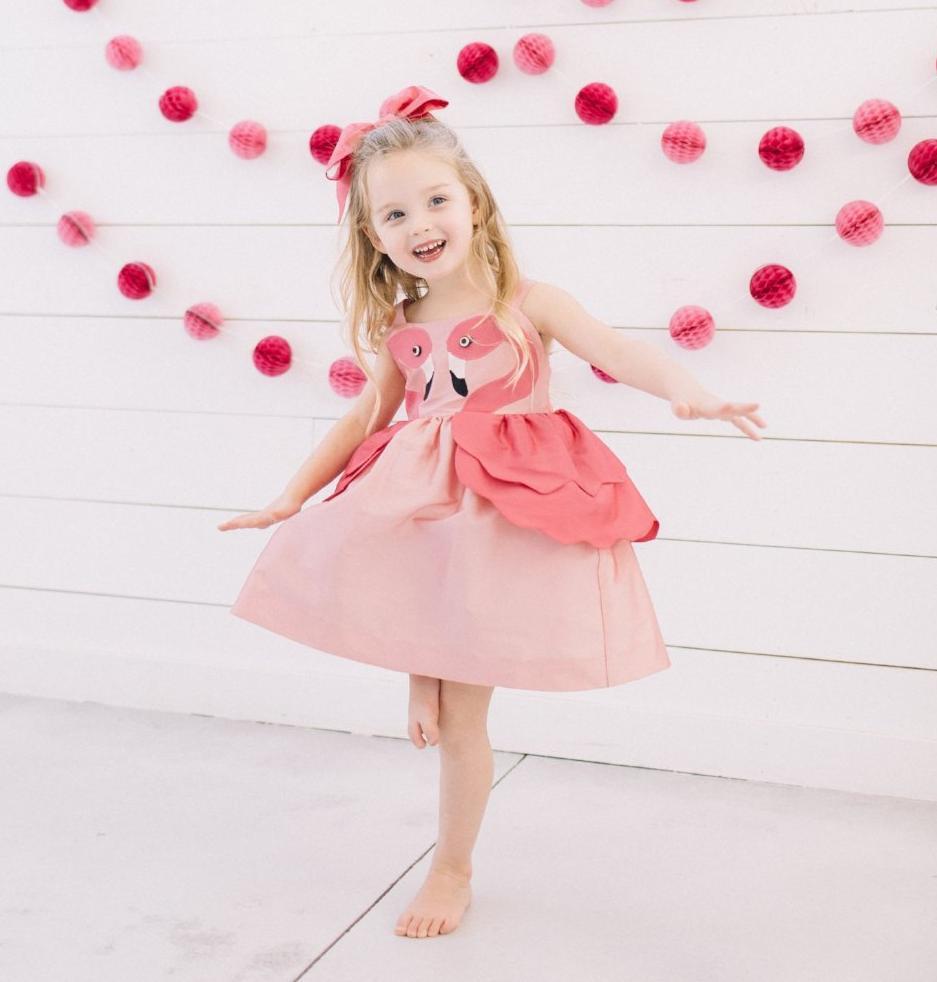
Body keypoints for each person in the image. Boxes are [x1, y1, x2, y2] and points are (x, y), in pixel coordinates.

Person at [217, 84, 766, 940]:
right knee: (409, 616)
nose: (419, 222)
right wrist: (290, 496)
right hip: (418, 520)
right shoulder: (402, 324)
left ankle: (451, 866)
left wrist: (686, 391)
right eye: (394, 212)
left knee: (464, 716)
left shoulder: (527, 301)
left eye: (435, 199)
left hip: (500, 518)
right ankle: (421, 673)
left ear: (472, 202)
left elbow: (617, 351)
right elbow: (366, 420)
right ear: (372, 234)